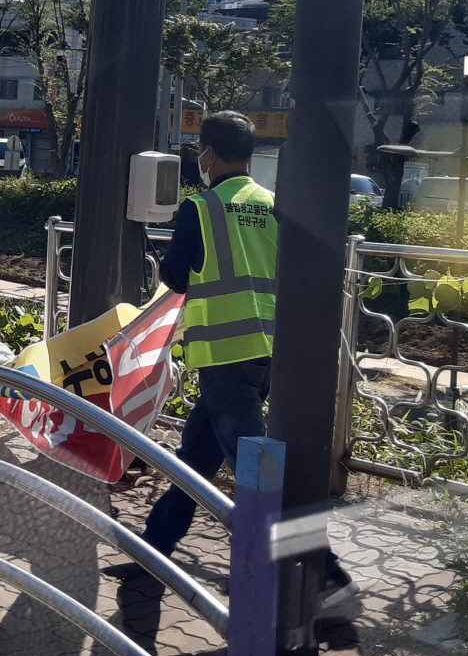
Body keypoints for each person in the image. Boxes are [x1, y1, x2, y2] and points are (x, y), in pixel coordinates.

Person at [107, 111, 355, 612]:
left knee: (258, 476)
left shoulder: (200, 207)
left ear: (209, 154)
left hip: (225, 354)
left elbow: (177, 276)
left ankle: (327, 576)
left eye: (200, 151)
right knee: (196, 459)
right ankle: (153, 550)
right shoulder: (272, 204)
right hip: (268, 354)